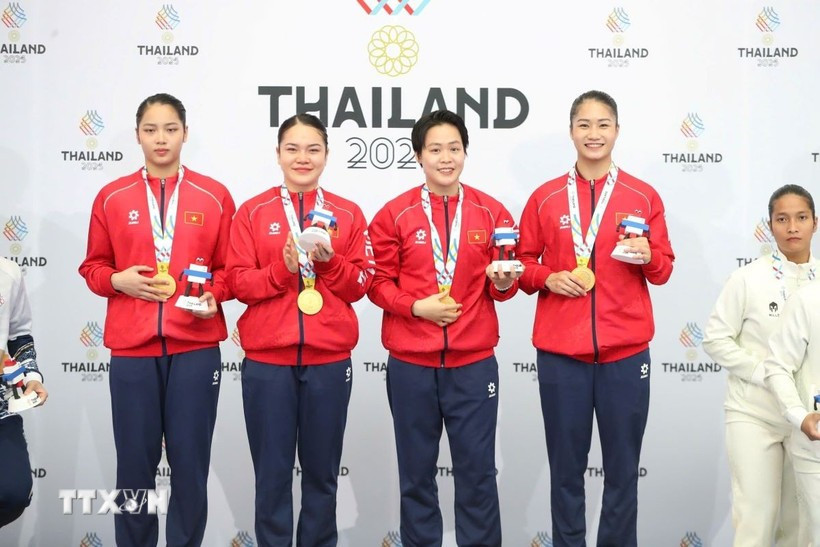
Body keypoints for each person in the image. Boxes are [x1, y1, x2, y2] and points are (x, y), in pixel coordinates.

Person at [517, 90, 674, 547]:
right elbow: (520, 266)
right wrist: (548, 277)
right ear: (571, 131)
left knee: (623, 471)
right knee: (566, 472)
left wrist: (648, 256)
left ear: (617, 131)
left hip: (625, 355)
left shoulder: (642, 196)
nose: (594, 133)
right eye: (584, 124)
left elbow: (663, 270)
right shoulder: (545, 198)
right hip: (561, 356)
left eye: (603, 124)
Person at [78, 93, 235, 547]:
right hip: (132, 350)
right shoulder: (111, 196)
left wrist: (214, 294)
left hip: (196, 347)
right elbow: (92, 268)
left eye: (170, 129)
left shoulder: (215, 195)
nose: (161, 138)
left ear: (185, 132)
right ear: (137, 136)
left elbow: (231, 270)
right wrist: (117, 280)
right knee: (133, 469)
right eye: (151, 130)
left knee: (190, 466)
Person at [367, 109, 522, 547]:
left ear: (466, 152)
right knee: (416, 475)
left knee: (477, 474)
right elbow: (376, 284)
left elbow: (505, 285)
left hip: (472, 366)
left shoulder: (492, 212)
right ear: (419, 156)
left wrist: (506, 282)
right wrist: (416, 307)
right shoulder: (393, 214)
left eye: (454, 148)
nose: (446, 158)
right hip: (410, 366)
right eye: (435, 149)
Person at [226, 113, 375, 547]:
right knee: (271, 477)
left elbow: (361, 285)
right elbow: (237, 282)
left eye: (313, 149)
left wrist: (327, 262)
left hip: (328, 361)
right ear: (277, 154)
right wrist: (283, 268)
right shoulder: (252, 211)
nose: (302, 157)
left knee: (322, 477)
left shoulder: (348, 213)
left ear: (326, 155)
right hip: (267, 364)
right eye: (292, 148)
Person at [704, 184, 818, 546]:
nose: (792, 227)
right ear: (770, 226)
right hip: (753, 413)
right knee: (756, 514)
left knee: (799, 522)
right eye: (782, 219)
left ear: (816, 223)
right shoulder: (747, 278)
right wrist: (761, 373)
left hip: (805, 422)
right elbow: (715, 338)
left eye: (801, 218)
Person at [0, 258, 47, 527]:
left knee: (13, 492)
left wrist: (31, 375)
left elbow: (18, 335)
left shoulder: (8, 271)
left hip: (1, 404)